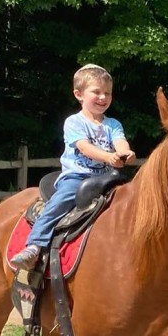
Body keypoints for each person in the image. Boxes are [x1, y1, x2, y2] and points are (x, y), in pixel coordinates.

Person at [10, 64, 135, 271]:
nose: (103, 97)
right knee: (59, 203)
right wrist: (108, 156)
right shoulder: (74, 122)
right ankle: (34, 245)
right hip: (77, 177)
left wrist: (126, 152)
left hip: (107, 178)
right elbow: (84, 147)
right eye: (96, 92)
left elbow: (120, 141)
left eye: (108, 93)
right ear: (79, 94)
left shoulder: (113, 124)